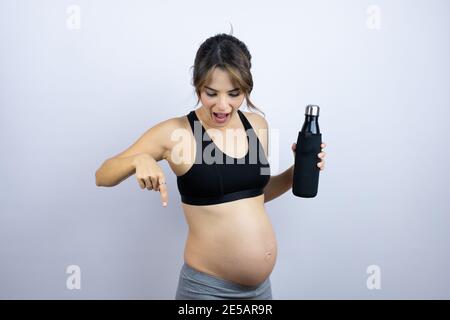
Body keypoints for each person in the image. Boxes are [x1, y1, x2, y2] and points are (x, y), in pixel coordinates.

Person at [95, 33, 327, 300]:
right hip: (207, 291)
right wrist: (139, 160)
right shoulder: (175, 132)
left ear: (246, 88)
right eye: (211, 93)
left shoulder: (257, 126)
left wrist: (297, 172)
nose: (222, 105)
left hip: (261, 292)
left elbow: (254, 196)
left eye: (234, 93)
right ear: (198, 86)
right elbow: (102, 174)